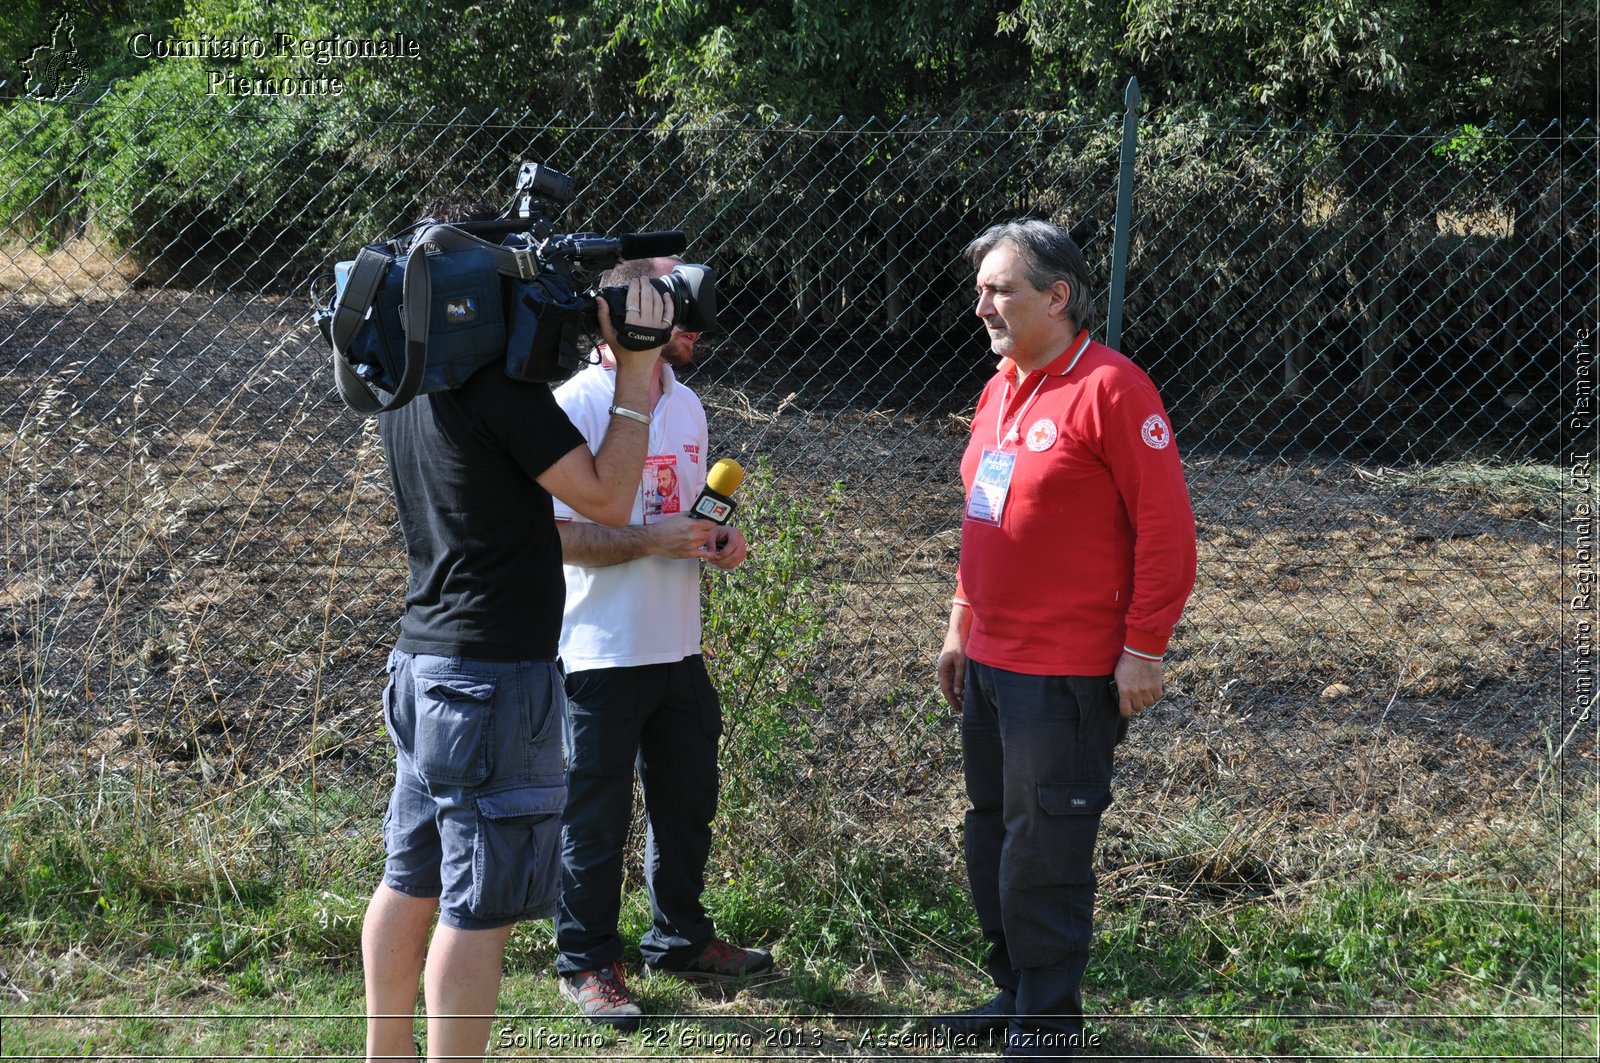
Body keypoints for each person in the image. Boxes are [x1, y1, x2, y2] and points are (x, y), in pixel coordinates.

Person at [359, 216, 675, 1062]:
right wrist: (637, 372)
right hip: (492, 680)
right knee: (478, 907)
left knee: (409, 876)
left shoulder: (412, 382)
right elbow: (608, 496)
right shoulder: (500, 393)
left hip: (422, 661)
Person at [933, 220, 1197, 1058]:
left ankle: (1047, 1023)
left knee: (1046, 845)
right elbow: (984, 519)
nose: (983, 305)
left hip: (1066, 672)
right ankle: (1013, 994)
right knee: (992, 834)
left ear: (1058, 295)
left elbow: (1168, 532)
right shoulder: (999, 387)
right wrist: (958, 626)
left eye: (1000, 289)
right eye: (980, 289)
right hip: (988, 664)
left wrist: (1145, 646)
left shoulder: (1113, 389)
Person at [549, 256, 773, 1029]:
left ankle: (678, 935)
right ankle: (586, 959)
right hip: (599, 651)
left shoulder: (688, 405)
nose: (694, 326)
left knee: (686, 804)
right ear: (627, 310)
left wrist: (721, 540)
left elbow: (685, 514)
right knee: (595, 817)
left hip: (678, 647)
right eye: (675, 307)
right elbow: (557, 538)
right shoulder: (575, 402)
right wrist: (653, 540)